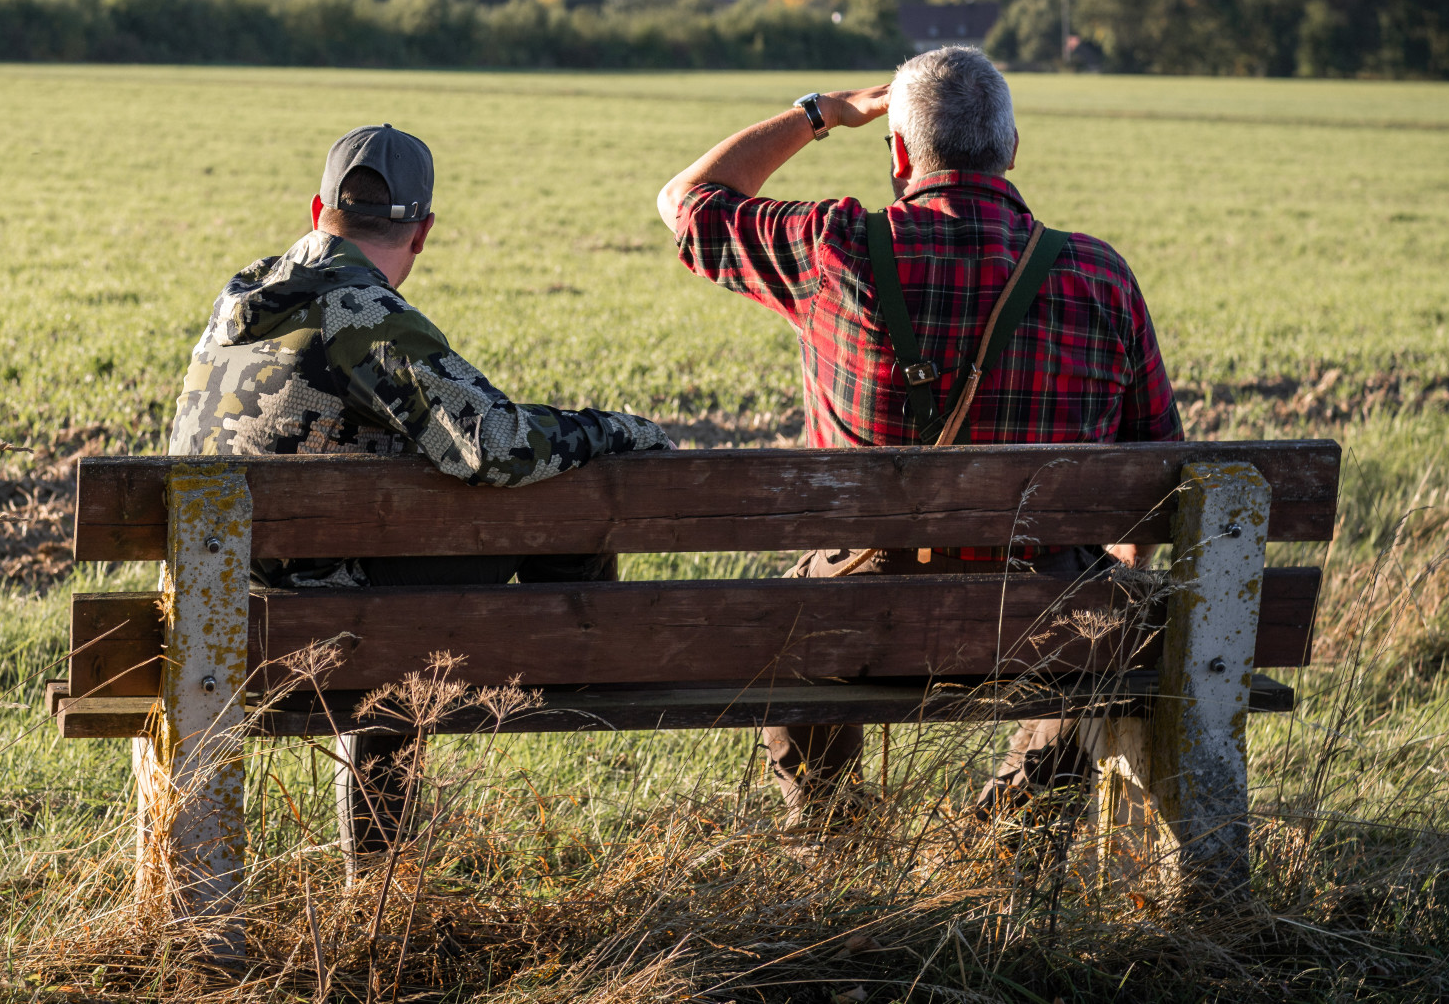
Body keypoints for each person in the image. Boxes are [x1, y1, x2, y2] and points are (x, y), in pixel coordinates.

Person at [655, 46, 1181, 825]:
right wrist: (1111, 591)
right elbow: (1158, 470)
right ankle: (1013, 831)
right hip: (1043, 617)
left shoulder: (834, 247)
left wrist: (822, 113)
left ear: (899, 153)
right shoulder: (1101, 277)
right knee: (1113, 618)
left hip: (859, 617)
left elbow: (685, 201)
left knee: (792, 612)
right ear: (1011, 149)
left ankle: (832, 827)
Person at [170, 123, 672, 867]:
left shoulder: (241, 299)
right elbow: (497, 443)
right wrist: (623, 429)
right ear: (423, 231)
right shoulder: (363, 312)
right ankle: (576, 651)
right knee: (555, 485)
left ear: (319, 210)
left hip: (220, 612)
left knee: (406, 572)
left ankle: (378, 869)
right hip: (333, 625)